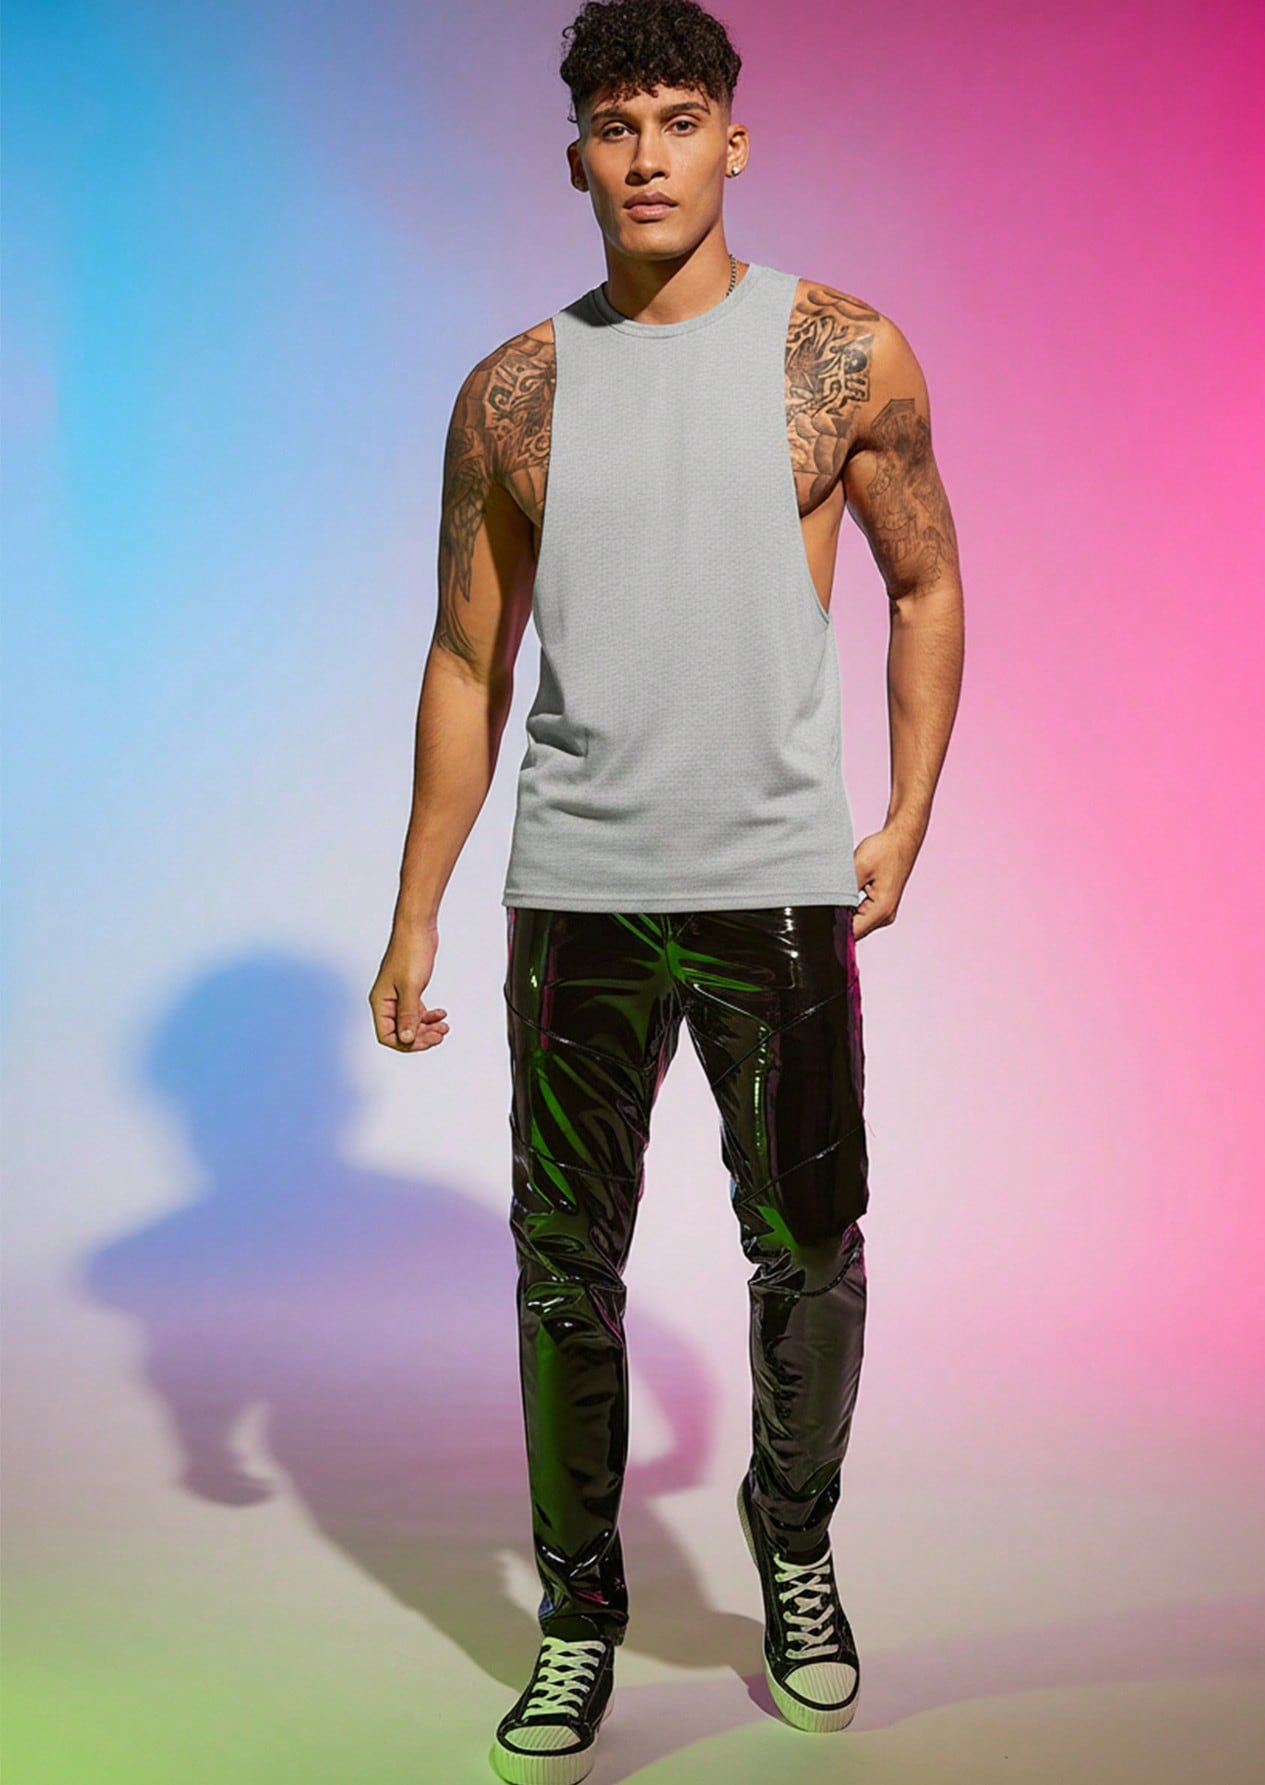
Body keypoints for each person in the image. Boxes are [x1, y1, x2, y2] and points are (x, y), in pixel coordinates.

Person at [369, 1, 964, 1778]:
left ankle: (794, 1539)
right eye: (616, 125)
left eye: (680, 120)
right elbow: (467, 656)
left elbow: (926, 582)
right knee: (565, 1266)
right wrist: (415, 905)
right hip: (581, 893)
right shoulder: (515, 392)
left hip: (774, 881)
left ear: (733, 143)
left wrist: (909, 810)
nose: (647, 156)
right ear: (575, 155)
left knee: (812, 1249)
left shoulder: (840, 355)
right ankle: (578, 1614)